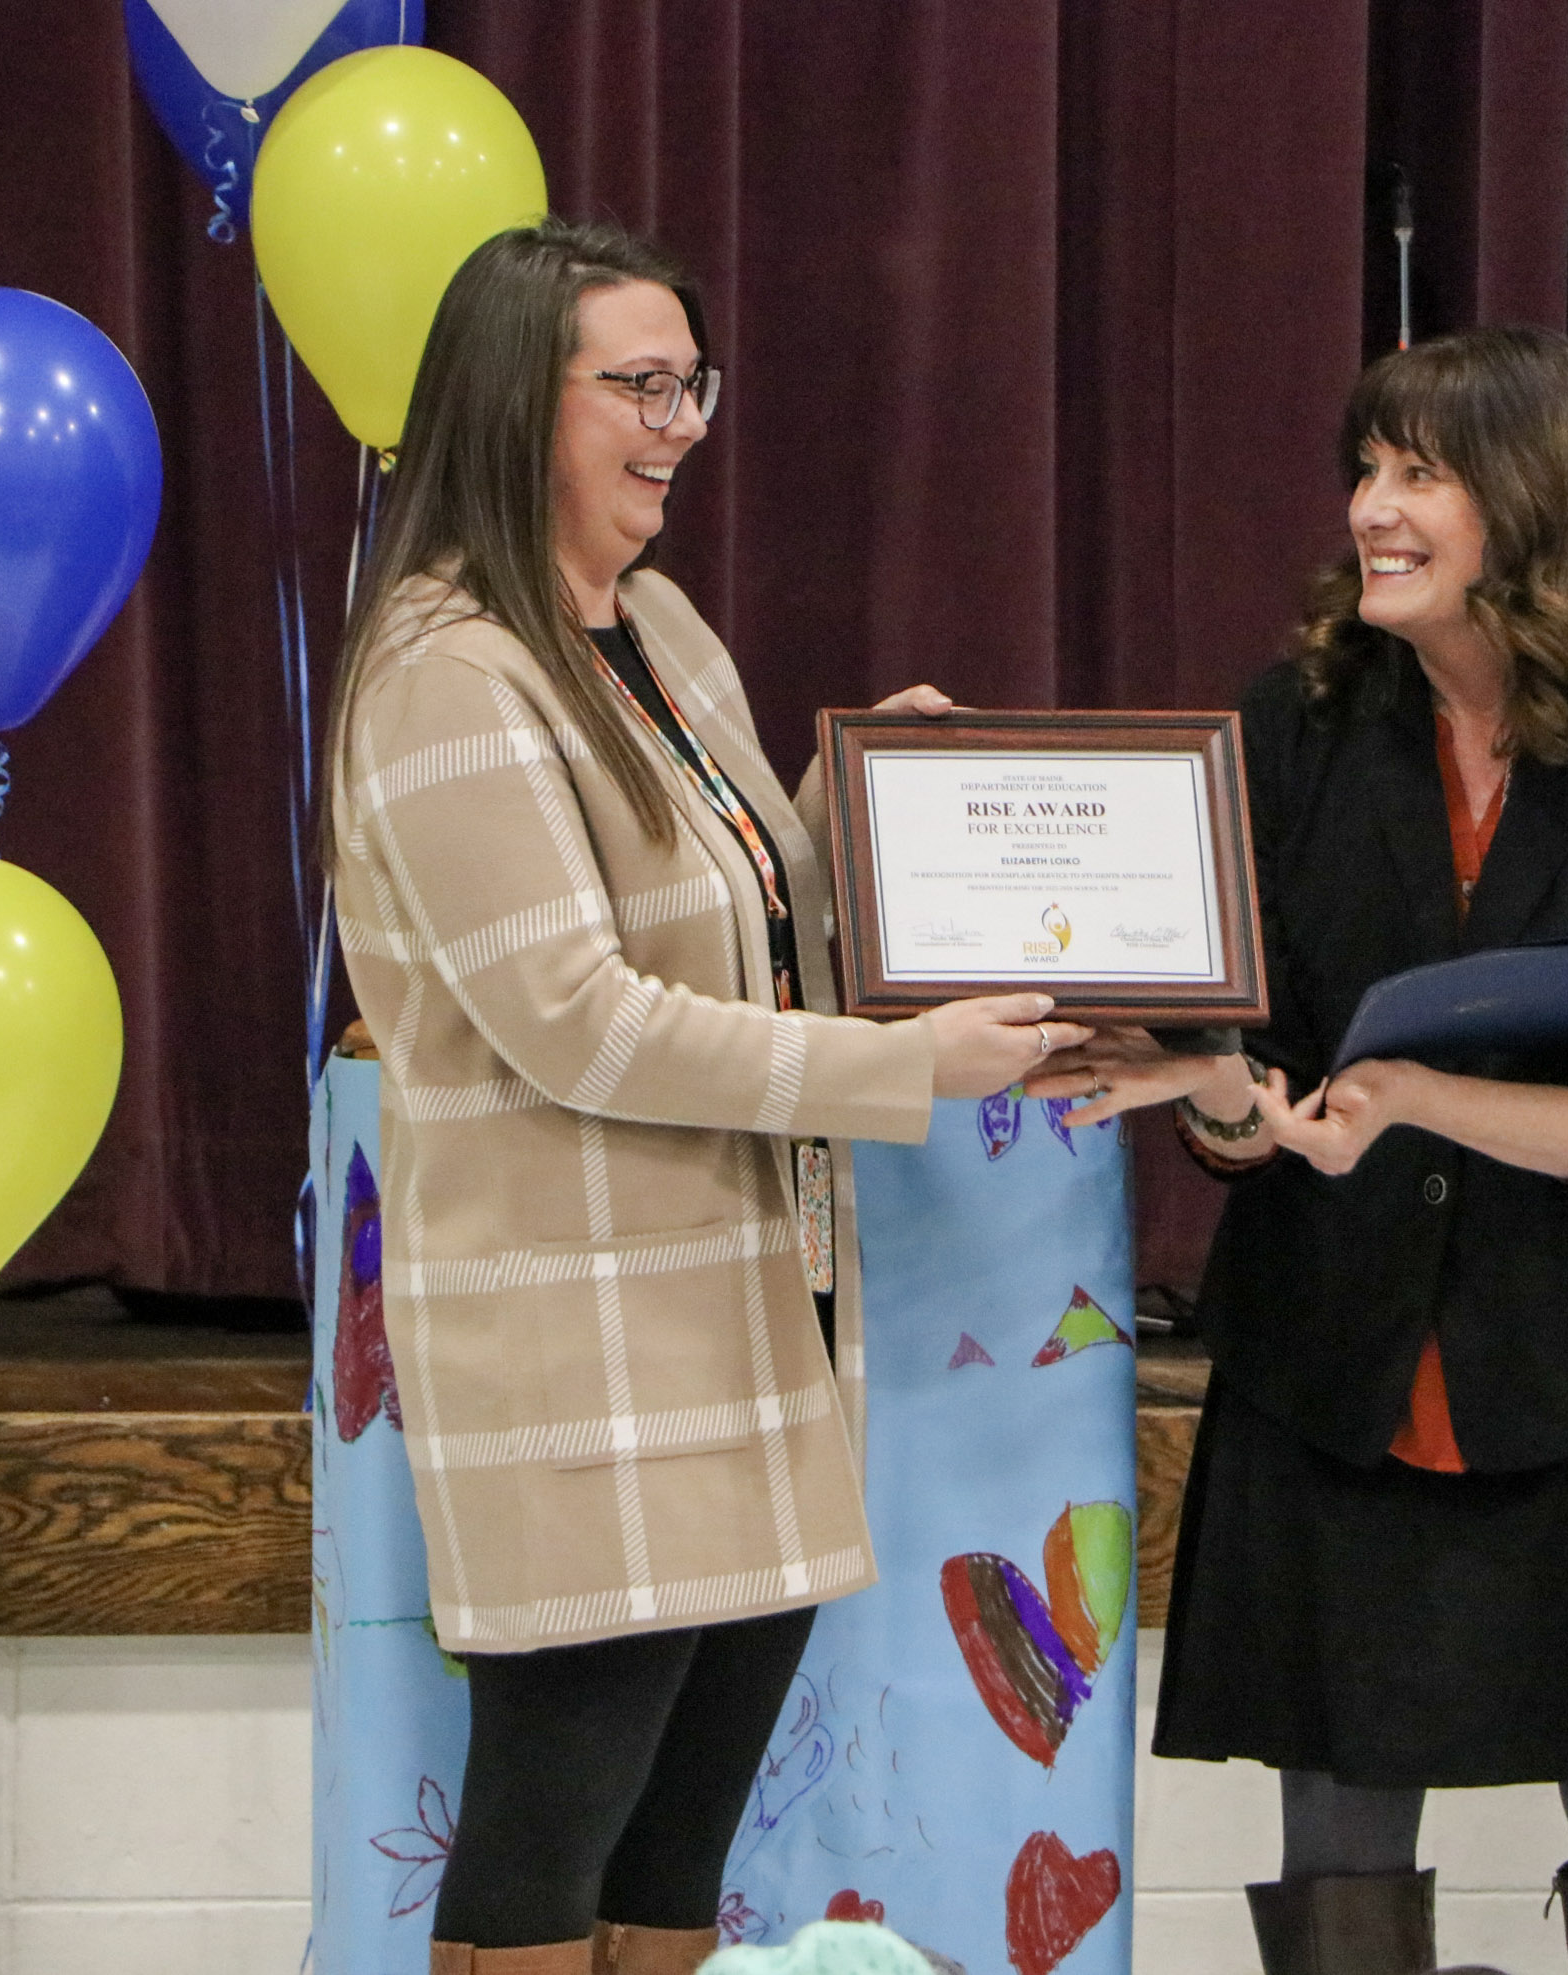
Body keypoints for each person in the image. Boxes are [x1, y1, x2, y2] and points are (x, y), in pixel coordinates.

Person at [323, 219, 1088, 1975]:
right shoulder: (446, 667)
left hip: (754, 1316)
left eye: (693, 387)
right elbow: (574, 1023)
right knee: (548, 1826)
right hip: (582, 1345)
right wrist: (906, 1071)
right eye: (640, 387)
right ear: (518, 400)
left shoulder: (653, 623)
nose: (678, 426)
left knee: (679, 1841)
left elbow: (736, 927)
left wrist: (850, 813)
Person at [1038, 325, 1568, 1975]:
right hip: (1341, 1359)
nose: (1371, 510)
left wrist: (1407, 1094)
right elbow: (1251, 1075)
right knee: (1335, 1822)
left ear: (1533, 505)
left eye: (1421, 474)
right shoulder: (1298, 721)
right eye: (1367, 468)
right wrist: (1224, 1101)